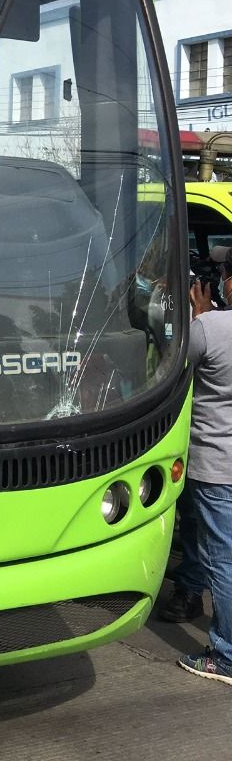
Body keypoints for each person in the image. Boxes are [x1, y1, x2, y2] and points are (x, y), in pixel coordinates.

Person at [177, 245, 232, 683]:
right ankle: (188, 593)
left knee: (224, 560)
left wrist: (198, 316)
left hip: (213, 466)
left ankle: (225, 655)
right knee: (204, 539)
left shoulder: (209, 327)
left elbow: (173, 371)